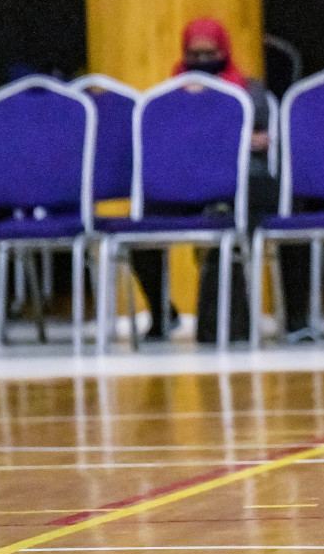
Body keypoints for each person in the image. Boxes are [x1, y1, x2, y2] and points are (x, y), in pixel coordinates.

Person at [129, 18, 313, 343]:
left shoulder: (248, 91)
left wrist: (221, 139)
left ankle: (297, 319)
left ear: (223, 50)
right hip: (186, 182)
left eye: (209, 52)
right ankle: (161, 315)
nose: (202, 61)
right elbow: (167, 141)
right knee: (141, 217)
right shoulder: (170, 95)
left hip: (242, 181)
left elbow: (265, 139)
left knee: (288, 208)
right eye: (194, 54)